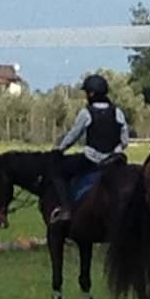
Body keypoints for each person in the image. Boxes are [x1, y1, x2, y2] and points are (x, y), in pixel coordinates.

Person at [48, 73, 130, 225]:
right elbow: (125, 140)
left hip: (92, 159)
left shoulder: (86, 113)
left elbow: (73, 135)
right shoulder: (118, 112)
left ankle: (66, 208)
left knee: (58, 173)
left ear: (91, 94)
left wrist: (60, 149)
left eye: (86, 93)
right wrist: (116, 149)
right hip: (114, 160)